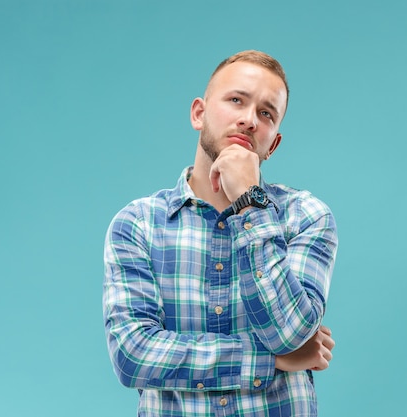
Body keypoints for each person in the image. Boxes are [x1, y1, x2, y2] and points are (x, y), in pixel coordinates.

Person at [103, 50, 338, 416]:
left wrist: (248, 202)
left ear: (273, 143)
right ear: (199, 113)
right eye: (236, 100)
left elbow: (291, 335)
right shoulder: (138, 225)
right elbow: (134, 356)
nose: (248, 120)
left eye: (266, 113)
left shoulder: (305, 217)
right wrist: (270, 360)